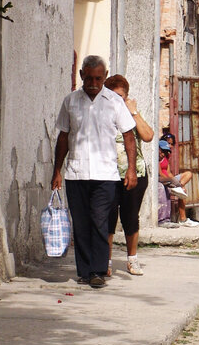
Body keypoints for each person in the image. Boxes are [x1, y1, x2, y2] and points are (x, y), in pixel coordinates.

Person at [52, 55, 137, 289]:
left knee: (100, 222)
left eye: (98, 78)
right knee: (80, 224)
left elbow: (129, 136)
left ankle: (98, 271)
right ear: (82, 75)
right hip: (76, 173)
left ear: (105, 76)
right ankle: (84, 271)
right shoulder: (70, 101)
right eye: (89, 78)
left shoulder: (114, 102)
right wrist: (56, 170)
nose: (93, 83)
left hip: (105, 175)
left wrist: (131, 170)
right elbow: (63, 137)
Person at [102, 75, 154, 277]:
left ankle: (132, 259)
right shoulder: (102, 114)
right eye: (113, 96)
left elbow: (148, 136)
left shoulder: (132, 115)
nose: (117, 100)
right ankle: (105, 261)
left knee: (130, 217)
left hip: (135, 173)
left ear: (127, 96)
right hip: (108, 174)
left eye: (121, 97)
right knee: (107, 217)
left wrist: (133, 111)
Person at [158, 141, 196, 227]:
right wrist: (171, 181)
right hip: (162, 179)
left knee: (186, 180)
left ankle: (178, 189)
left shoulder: (165, 158)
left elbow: (168, 173)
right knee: (163, 188)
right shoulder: (156, 159)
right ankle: (165, 219)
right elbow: (160, 174)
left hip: (167, 179)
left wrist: (177, 184)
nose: (163, 154)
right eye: (162, 151)